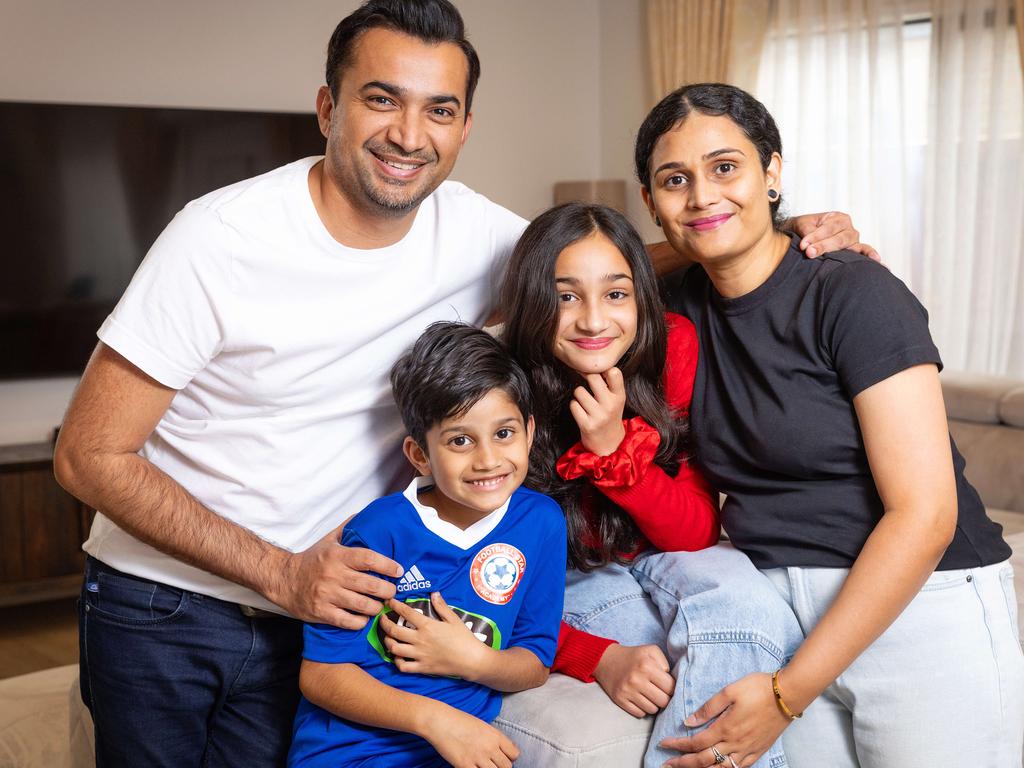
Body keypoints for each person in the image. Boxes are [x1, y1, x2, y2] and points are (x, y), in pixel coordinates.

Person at [51, 0, 866, 763]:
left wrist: (776, 225)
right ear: (329, 109)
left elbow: (598, 268)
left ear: (464, 126)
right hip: (168, 607)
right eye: (382, 100)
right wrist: (280, 572)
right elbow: (89, 457)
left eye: (439, 109)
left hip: (330, 615)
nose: (410, 134)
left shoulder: (473, 232)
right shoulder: (218, 238)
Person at [632, 82, 1024, 768]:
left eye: (727, 168)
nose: (701, 195)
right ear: (651, 201)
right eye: (675, 180)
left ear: (772, 172)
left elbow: (926, 514)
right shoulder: (673, 306)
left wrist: (787, 693)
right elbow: (579, 263)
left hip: (922, 607)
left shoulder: (851, 291)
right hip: (781, 610)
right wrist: (742, 225)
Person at [500, 202, 801, 768]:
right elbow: (476, 577)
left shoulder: (669, 347)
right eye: (566, 297)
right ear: (534, 302)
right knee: (752, 634)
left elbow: (696, 529)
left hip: (662, 552)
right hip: (566, 576)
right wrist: (599, 657)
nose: (593, 320)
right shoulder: (500, 391)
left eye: (615, 294)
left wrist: (616, 453)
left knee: (750, 606)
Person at [288, 322, 566, 768]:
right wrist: (438, 721)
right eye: (460, 440)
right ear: (420, 455)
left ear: (530, 432)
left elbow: (533, 663)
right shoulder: (379, 531)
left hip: (459, 753)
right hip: (350, 754)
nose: (489, 459)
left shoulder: (541, 523)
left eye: (504, 433)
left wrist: (473, 661)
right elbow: (322, 674)